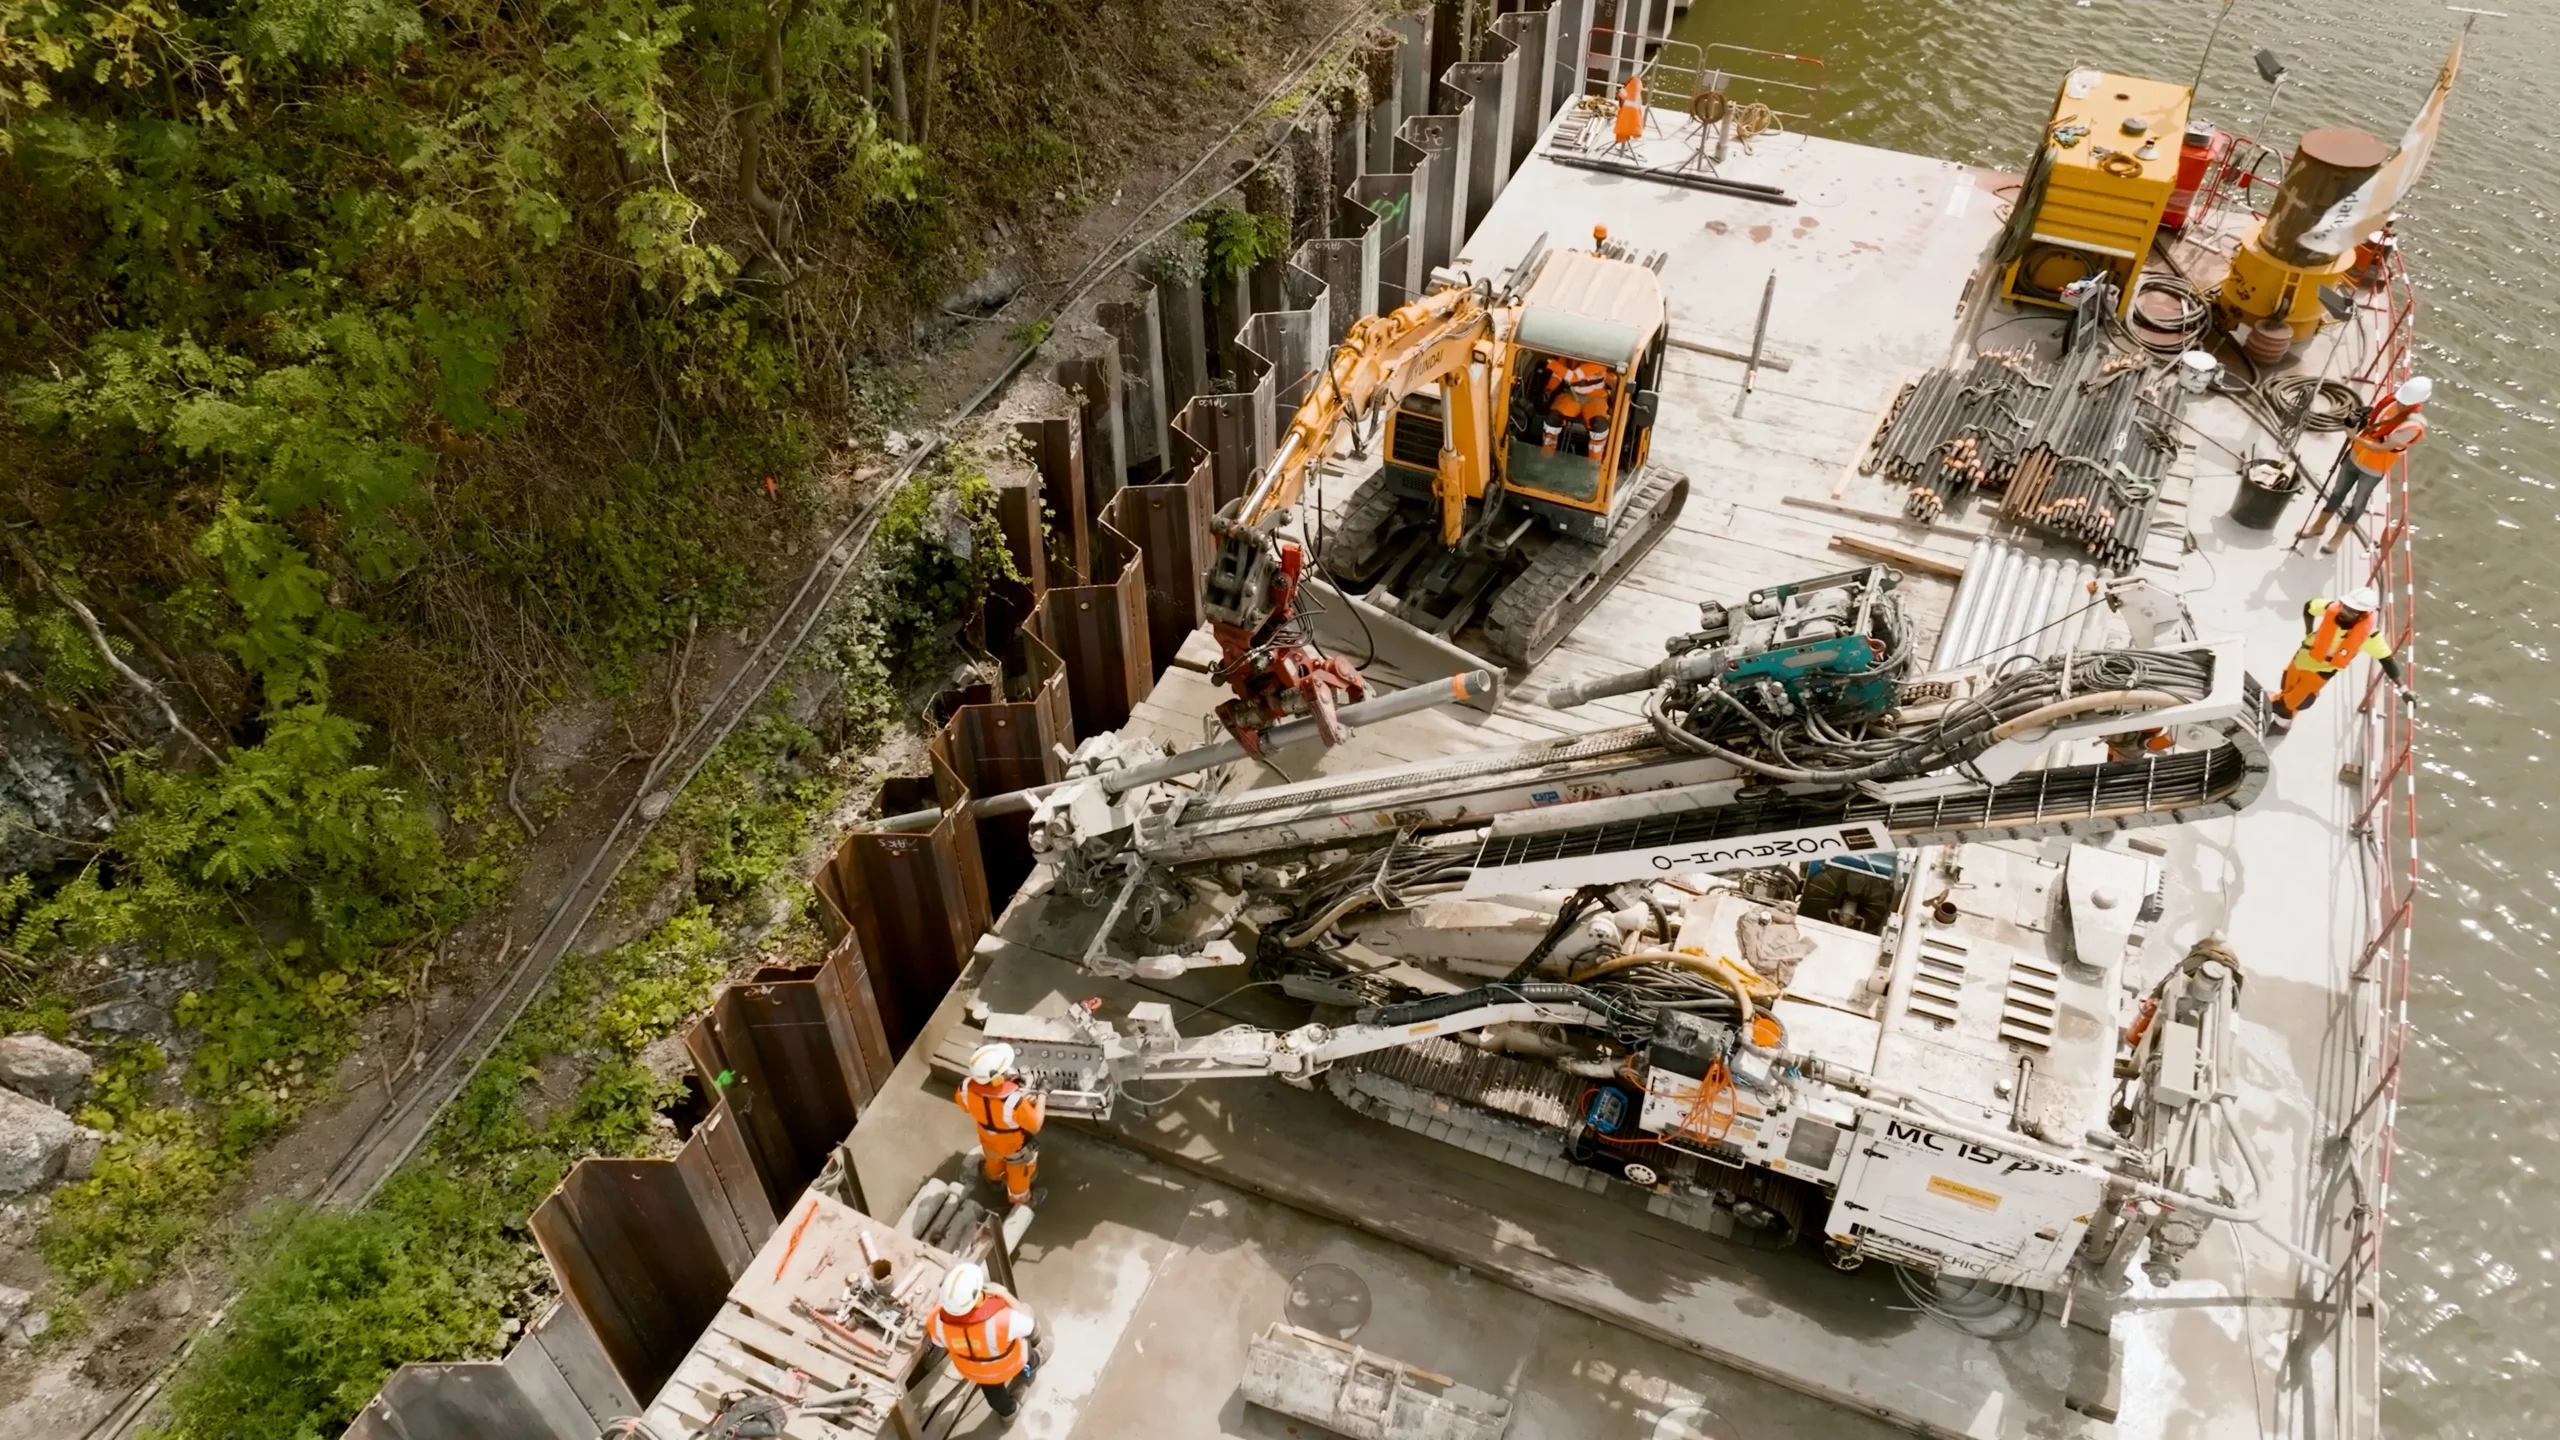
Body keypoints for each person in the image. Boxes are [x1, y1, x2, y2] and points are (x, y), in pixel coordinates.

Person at [2306, 376, 2430, 555]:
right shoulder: (2390, 402)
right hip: (2354, 457)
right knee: (2337, 492)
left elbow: (2383, 448)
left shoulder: (2412, 426)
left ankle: (2336, 539)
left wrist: (2354, 437)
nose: (2401, 405)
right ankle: (2318, 526)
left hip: (2373, 469)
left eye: (2406, 403)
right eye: (2401, 400)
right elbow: (2373, 420)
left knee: (2357, 504)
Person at [2269, 586, 2411, 731]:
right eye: (2345, 606)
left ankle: (2281, 725)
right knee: (2286, 685)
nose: (2344, 612)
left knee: (2293, 704)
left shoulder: (2370, 637)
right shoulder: (2331, 608)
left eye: (2352, 611)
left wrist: (2404, 689)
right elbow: (2309, 607)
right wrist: (2308, 631)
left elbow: (2387, 660)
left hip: (2319, 673)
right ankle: (2279, 702)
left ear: (2363, 615)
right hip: (2301, 659)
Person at [926, 1261, 1042, 1421]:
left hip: (974, 1372)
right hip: (1010, 1364)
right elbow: (1029, 1323)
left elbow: (939, 1342)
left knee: (994, 1394)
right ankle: (1032, 1363)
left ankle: (1009, 1412)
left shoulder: (937, 1322)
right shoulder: (1002, 1319)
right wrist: (1004, 1293)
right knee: (1024, 1331)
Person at [955, 1042, 1044, 1206]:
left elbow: (966, 1107)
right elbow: (1035, 1125)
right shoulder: (1014, 1101)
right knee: (1020, 1173)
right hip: (1014, 1148)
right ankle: (1021, 1199)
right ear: (997, 1079)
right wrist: (1043, 1094)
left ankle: (994, 1180)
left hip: (988, 1139)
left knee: (993, 1161)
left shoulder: (965, 1088)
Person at [1539, 355, 1613, 455]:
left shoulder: (1600, 360)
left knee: (1599, 426)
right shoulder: (1568, 356)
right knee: (1552, 419)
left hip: (1596, 398)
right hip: (1571, 395)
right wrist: (1549, 389)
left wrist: (1551, 364)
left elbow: (1573, 376)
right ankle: (1545, 455)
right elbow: (1557, 375)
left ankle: (1594, 465)